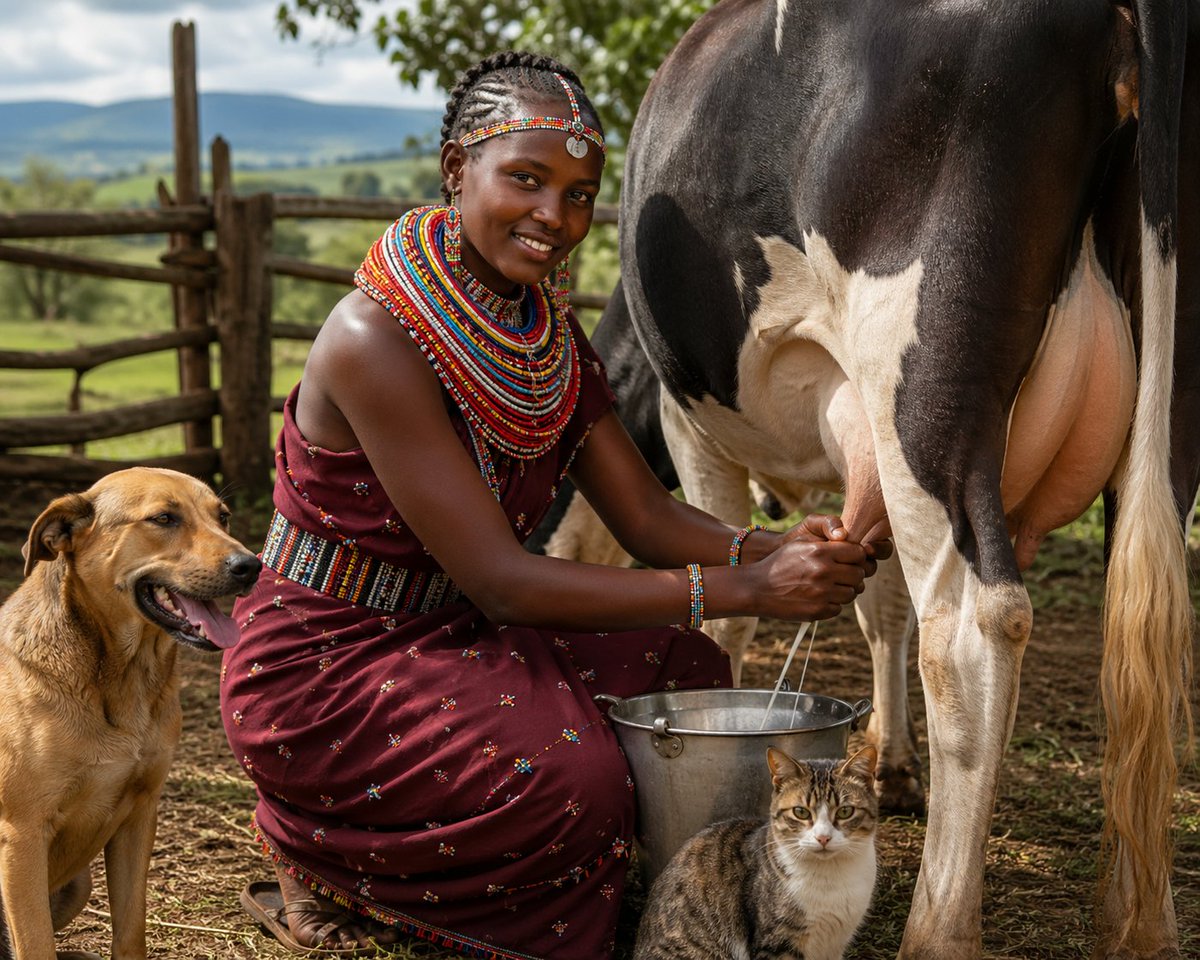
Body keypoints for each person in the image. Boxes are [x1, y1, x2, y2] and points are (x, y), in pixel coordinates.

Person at [225, 50, 887, 959]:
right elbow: (503, 582)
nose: (555, 217)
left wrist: (772, 547)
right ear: (458, 171)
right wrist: (754, 590)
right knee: (574, 781)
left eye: (580, 194)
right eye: (527, 180)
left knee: (686, 673)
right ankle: (329, 864)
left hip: (456, 634)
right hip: (333, 664)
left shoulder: (542, 335)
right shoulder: (374, 337)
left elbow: (647, 519)